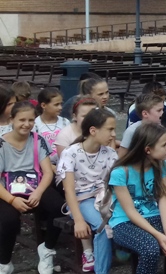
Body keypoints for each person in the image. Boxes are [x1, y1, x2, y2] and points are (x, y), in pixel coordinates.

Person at [108, 123, 166, 274]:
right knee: (150, 249)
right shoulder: (120, 172)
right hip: (125, 222)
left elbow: (164, 199)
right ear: (148, 149)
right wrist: (158, 235)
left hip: (154, 216)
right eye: (164, 145)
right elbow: (130, 211)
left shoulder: (161, 165)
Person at [0, 102, 63, 274]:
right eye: (22, 120)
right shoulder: (1, 144)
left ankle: (47, 249)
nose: (26, 124)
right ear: (12, 120)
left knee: (59, 207)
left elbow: (47, 172)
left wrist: (38, 192)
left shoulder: (37, 140)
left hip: (35, 186)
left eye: (31, 120)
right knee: (8, 220)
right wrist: (12, 200)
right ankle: (4, 262)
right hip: (7, 191)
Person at [56, 108, 117, 274]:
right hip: (81, 199)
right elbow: (69, 190)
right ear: (93, 130)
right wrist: (78, 220)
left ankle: (121, 251)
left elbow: (116, 183)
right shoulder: (70, 153)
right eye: (110, 129)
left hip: (105, 196)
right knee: (102, 227)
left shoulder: (110, 153)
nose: (113, 135)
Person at [34, 87, 70, 165]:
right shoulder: (35, 125)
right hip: (42, 165)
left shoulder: (65, 122)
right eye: (56, 105)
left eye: (61, 104)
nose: (60, 107)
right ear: (43, 105)